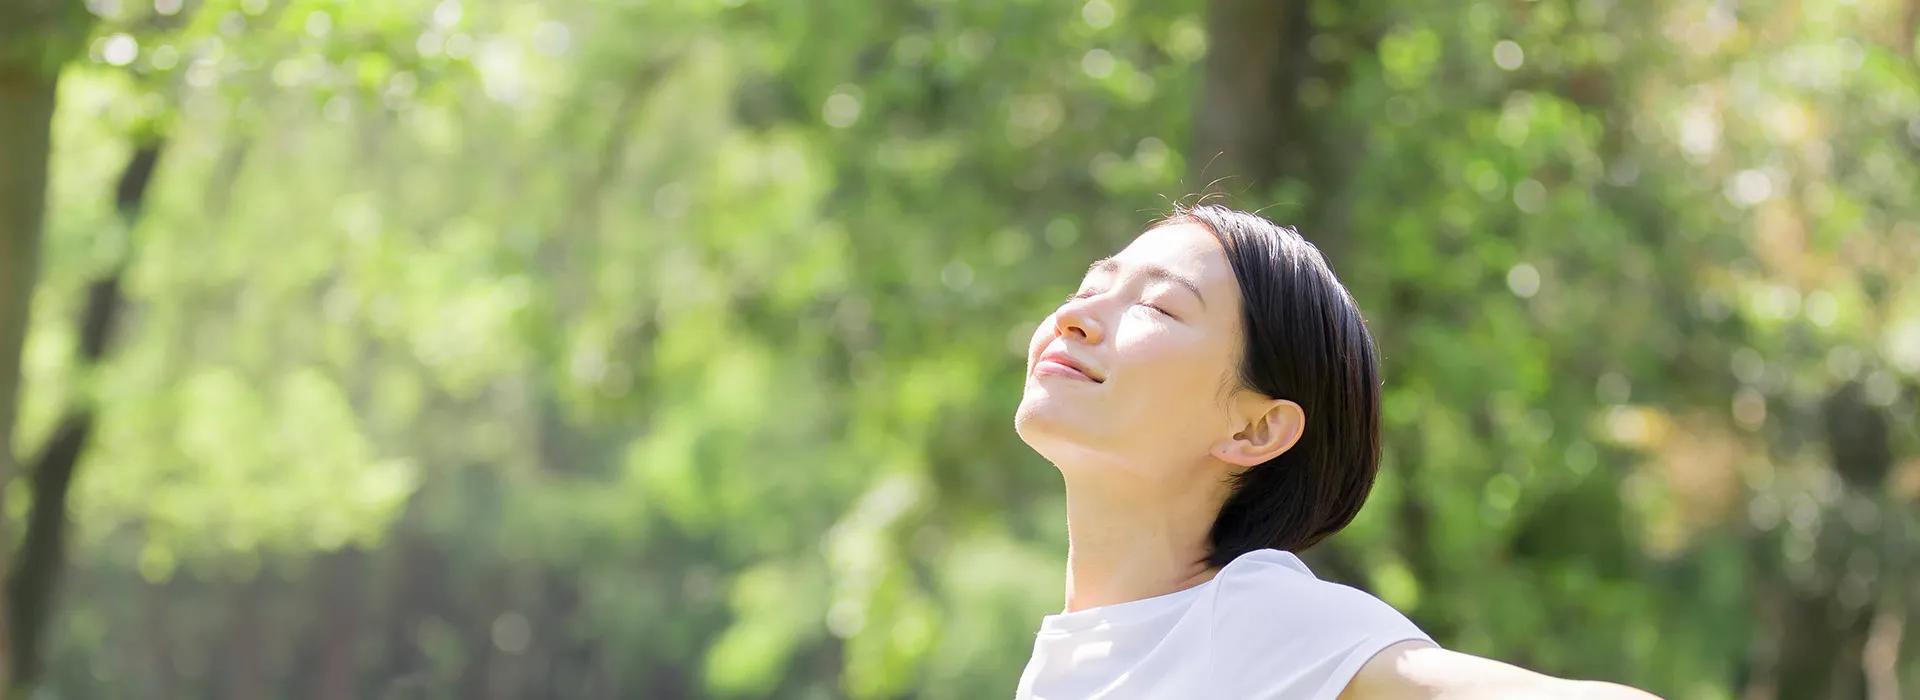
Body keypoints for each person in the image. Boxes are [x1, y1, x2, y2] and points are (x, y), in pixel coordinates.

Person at [1011, 204, 1663, 700]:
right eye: (1090, 285)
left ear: (1255, 430)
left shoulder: (1266, 623)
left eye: (1158, 305)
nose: (1078, 316)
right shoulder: (1064, 662)